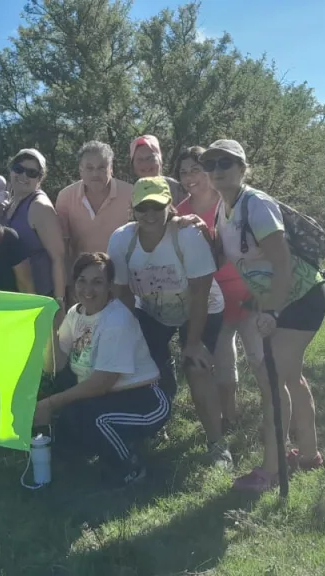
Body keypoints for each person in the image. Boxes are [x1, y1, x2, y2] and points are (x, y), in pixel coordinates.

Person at [202, 139, 325, 493]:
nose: (217, 170)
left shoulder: (256, 205)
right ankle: (308, 453)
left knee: (274, 379)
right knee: (290, 376)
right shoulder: (221, 209)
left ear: (243, 168)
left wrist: (272, 310)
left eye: (226, 163)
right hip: (280, 300)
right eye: (210, 164)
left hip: (301, 297)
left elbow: (282, 263)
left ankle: (271, 469)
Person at [107, 176, 231, 467]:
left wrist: (192, 343)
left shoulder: (187, 236)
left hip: (202, 308)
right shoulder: (121, 239)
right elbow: (123, 292)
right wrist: (130, 337)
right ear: (133, 209)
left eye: (157, 207)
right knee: (147, 369)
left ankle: (217, 444)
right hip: (153, 310)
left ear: (169, 207)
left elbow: (201, 291)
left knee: (197, 368)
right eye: (143, 208)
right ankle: (155, 424)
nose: (150, 215)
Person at [36, 252, 169, 487]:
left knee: (95, 420)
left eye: (97, 282)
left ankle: (131, 467)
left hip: (145, 399)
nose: (88, 289)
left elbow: (102, 382)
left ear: (109, 286)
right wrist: (52, 328)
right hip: (105, 397)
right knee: (69, 418)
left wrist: (50, 403)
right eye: (82, 281)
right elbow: (57, 365)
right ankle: (112, 446)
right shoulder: (75, 313)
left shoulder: (116, 320)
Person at [175, 146, 263, 437]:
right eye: (184, 172)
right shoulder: (180, 212)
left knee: (261, 360)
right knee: (225, 369)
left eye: (196, 169)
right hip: (214, 300)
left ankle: (278, 423)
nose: (190, 177)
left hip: (249, 293)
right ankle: (231, 418)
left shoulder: (229, 200)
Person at [55, 141, 134, 300]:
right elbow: (63, 247)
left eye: (102, 167)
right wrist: (69, 286)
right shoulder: (65, 197)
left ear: (111, 169)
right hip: (84, 284)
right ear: (80, 170)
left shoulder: (131, 194)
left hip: (125, 282)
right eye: (90, 168)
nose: (95, 174)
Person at [2, 148, 67, 309]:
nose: (24, 176)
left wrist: (58, 305)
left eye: (32, 173)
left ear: (40, 178)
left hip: (40, 300)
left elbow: (58, 259)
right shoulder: (12, 201)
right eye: (19, 169)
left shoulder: (39, 207)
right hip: (17, 298)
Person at [130, 135, 186, 205]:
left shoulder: (177, 189)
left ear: (160, 160)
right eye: (140, 160)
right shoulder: (130, 193)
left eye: (150, 158)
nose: (145, 164)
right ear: (133, 165)